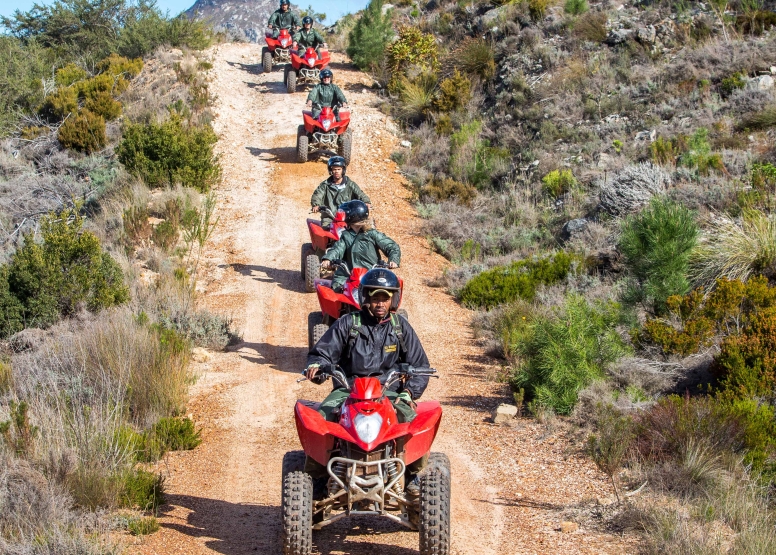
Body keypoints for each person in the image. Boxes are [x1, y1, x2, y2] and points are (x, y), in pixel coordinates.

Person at [305, 268, 430, 425]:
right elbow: (322, 353)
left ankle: (403, 450)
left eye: (385, 299)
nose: (380, 304)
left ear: (393, 300)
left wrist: (409, 392)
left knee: (410, 423)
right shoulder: (348, 322)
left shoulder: (400, 326)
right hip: (348, 391)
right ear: (366, 298)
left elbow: (421, 366)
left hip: (389, 391)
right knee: (322, 420)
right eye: (375, 298)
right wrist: (317, 365)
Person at [321, 200, 399, 291]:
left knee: (383, 292)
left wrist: (393, 260)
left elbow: (392, 246)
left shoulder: (372, 234)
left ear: (352, 216)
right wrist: (328, 258)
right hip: (348, 273)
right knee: (337, 289)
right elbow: (337, 248)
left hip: (371, 273)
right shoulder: (346, 235)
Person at [311, 156, 371, 228]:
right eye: (334, 169)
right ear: (331, 170)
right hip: (330, 217)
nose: (336, 171)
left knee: (360, 230)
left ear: (343, 170)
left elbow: (360, 194)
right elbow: (317, 194)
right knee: (326, 229)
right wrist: (316, 205)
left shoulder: (350, 184)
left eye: (339, 169)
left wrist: (366, 202)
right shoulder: (325, 185)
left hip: (347, 216)